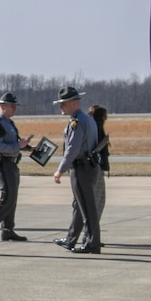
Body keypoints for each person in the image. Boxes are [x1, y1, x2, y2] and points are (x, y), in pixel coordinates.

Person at [49, 86, 103, 253]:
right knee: (81, 206)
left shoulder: (77, 121)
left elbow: (72, 149)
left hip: (82, 168)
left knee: (87, 208)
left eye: (63, 104)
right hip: (89, 166)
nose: (61, 107)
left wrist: (60, 170)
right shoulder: (86, 119)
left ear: (73, 103)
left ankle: (91, 243)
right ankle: (72, 239)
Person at [0, 93, 32, 241]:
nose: (14, 109)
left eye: (15, 106)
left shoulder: (9, 123)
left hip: (12, 163)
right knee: (7, 197)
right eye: (11, 106)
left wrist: (27, 147)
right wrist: (17, 146)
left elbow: (13, 143)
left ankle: (8, 229)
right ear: (2, 107)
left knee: (12, 198)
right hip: (2, 163)